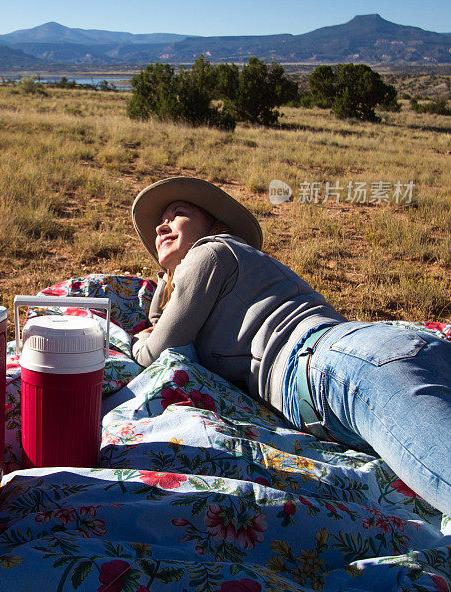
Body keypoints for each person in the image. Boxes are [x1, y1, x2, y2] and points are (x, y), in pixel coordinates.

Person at [130, 176, 451, 516]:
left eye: (177, 213)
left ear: (216, 225)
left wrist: (137, 340)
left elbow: (156, 351)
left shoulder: (210, 251)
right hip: (363, 361)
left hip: (344, 370)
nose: (162, 225)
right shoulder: (226, 268)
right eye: (158, 223)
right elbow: (162, 315)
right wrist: (168, 276)